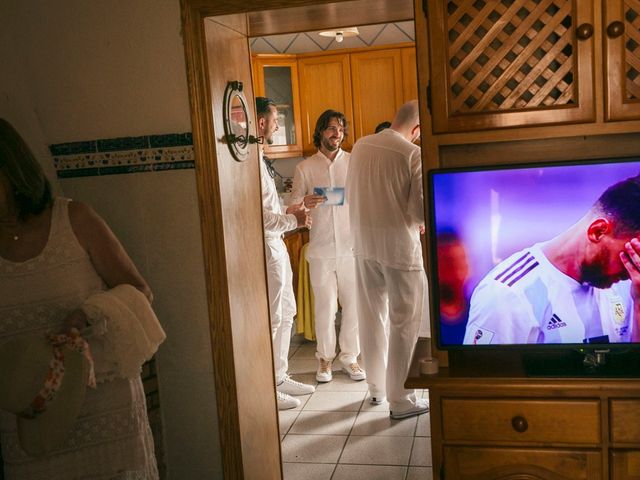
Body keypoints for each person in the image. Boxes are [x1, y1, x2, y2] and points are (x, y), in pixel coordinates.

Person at [0, 118, 159, 478]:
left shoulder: (73, 218)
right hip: (30, 419)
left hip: (106, 409)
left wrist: (88, 314)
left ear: (11, 170)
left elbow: (140, 291)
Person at [464, 175, 640, 345]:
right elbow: (481, 373)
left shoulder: (631, 285)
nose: (632, 269)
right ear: (598, 231)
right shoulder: (507, 295)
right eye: (631, 253)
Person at [346, 100, 429, 420]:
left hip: (363, 245)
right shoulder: (412, 153)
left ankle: (376, 388)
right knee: (403, 324)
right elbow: (419, 212)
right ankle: (401, 399)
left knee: (371, 317)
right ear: (417, 130)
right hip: (398, 248)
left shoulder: (362, 146)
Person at [290, 110, 365, 383]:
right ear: (321, 131)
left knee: (355, 305)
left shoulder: (355, 162)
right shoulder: (305, 168)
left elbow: (365, 198)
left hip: (351, 247)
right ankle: (324, 359)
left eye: (341, 129)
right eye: (332, 129)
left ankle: (350, 358)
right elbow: (293, 204)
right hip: (320, 249)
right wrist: (304, 203)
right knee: (325, 307)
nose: (337, 134)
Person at [255, 97, 317, 410]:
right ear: (262, 122)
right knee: (274, 316)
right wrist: (296, 219)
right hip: (265, 247)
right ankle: (268, 385)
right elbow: (258, 217)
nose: (278, 125)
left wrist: (288, 208)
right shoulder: (251, 162)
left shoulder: (257, 157)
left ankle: (280, 375)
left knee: (288, 311)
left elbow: (268, 208)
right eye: (275, 119)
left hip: (277, 243)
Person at [436, 231, 471, 345]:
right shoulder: (425, 317)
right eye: (449, 263)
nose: (457, 273)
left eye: (461, 261)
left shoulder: (480, 310)